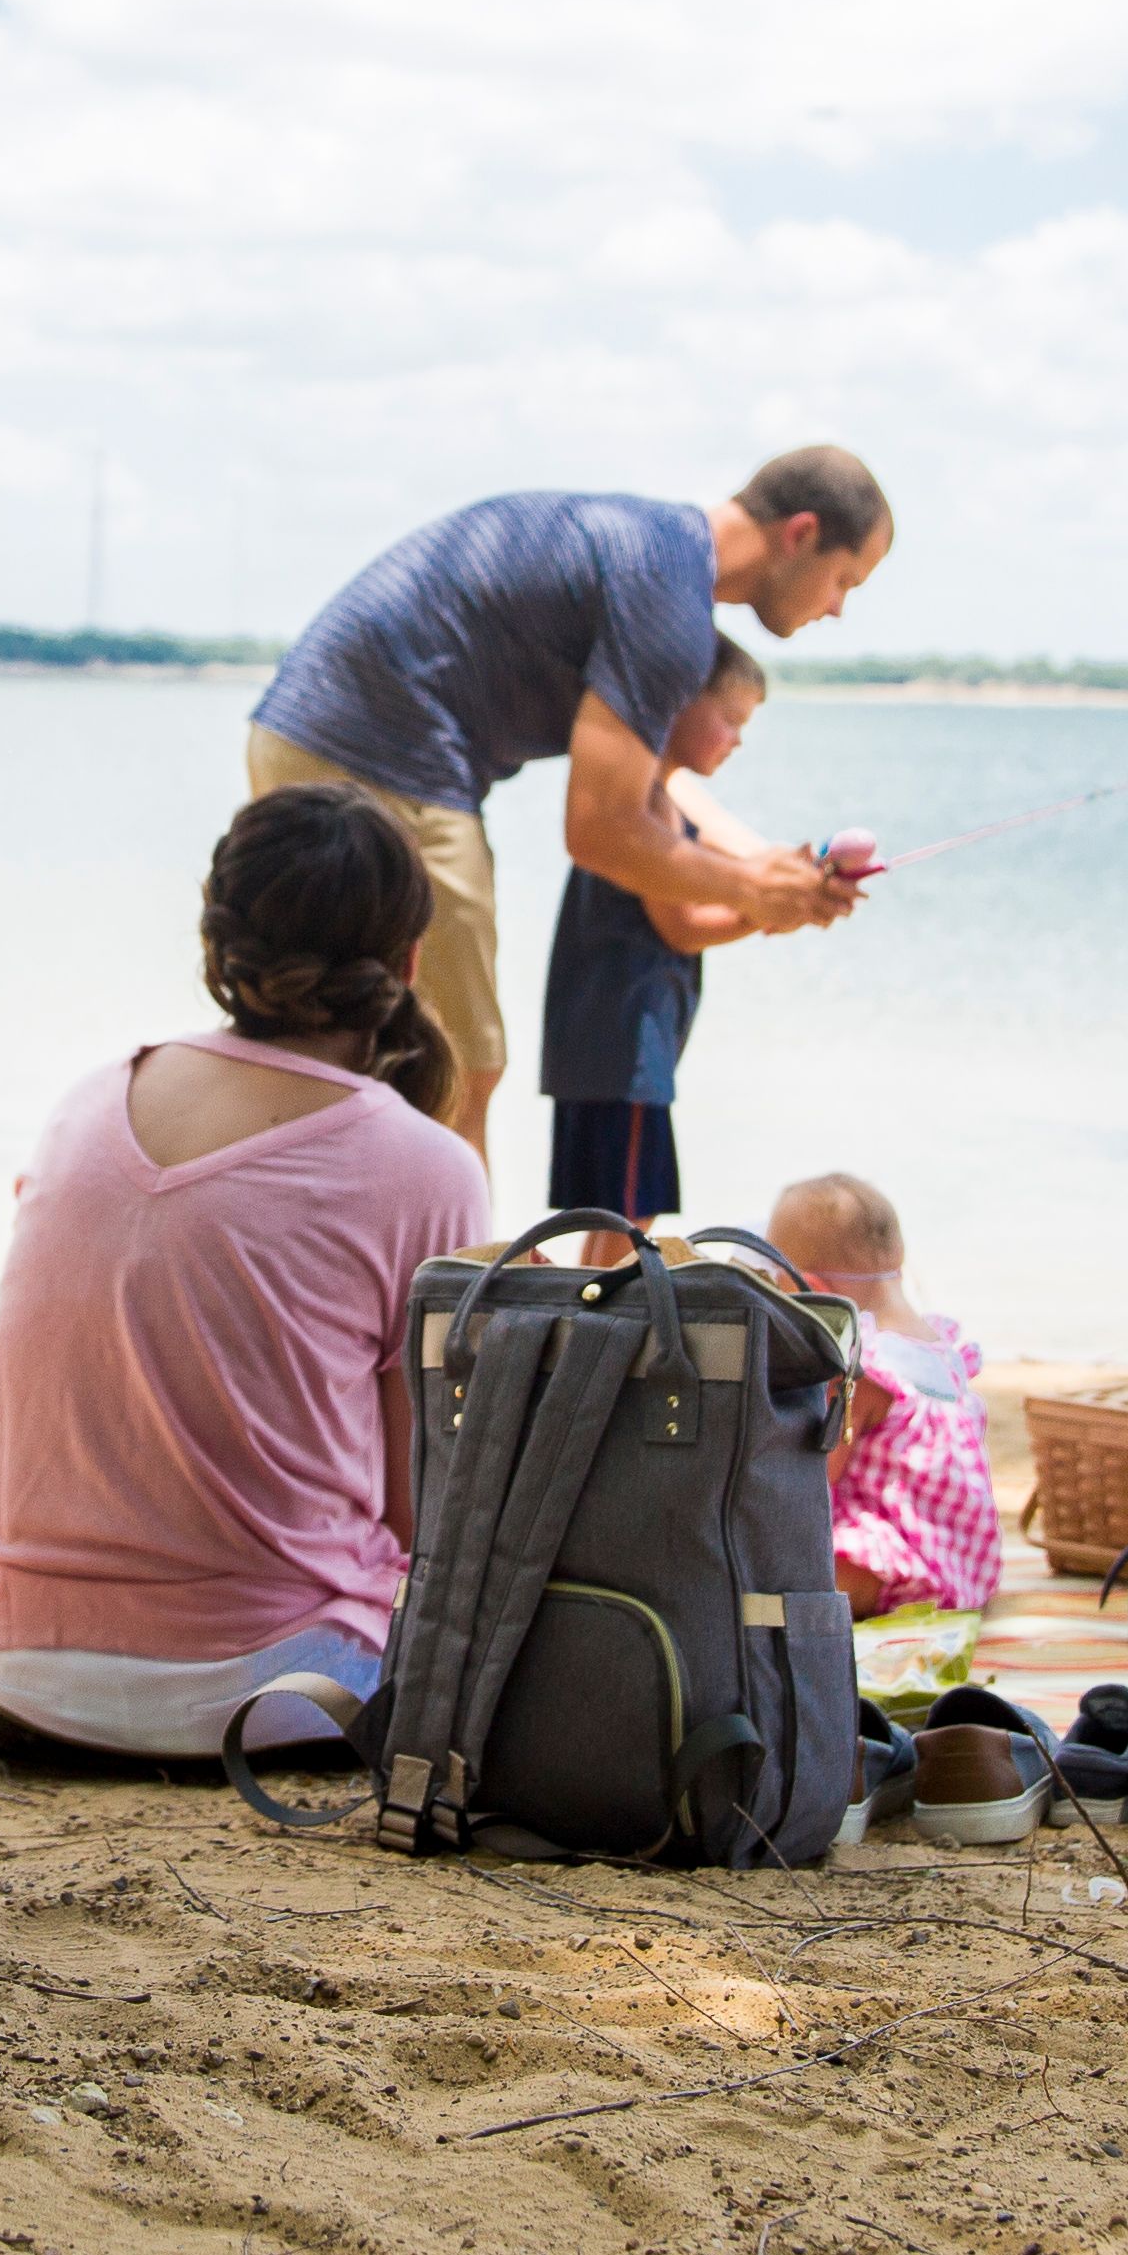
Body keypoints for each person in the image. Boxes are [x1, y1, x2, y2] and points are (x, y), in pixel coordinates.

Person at [0, 785, 494, 1758]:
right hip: (272, 1689)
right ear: (412, 963)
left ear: (217, 949)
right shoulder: (426, 1167)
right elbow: (426, 1506)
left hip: (13, 1673)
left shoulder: (88, 1102)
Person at [246, 449, 893, 1152]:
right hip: (384, 753)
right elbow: (602, 831)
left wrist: (768, 871)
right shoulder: (669, 601)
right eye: (844, 580)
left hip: (298, 728)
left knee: (327, 1041)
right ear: (801, 533)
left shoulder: (657, 555)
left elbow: (648, 792)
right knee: (454, 1067)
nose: (837, 609)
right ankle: (451, 1261)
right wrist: (752, 887)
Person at [533, 642, 782, 1228]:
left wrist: (770, 891)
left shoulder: (655, 796)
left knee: (606, 1223)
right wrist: (764, 911)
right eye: (730, 720)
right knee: (627, 1224)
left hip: (600, 1049)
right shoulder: (648, 805)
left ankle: (582, 1318)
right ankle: (598, 1321)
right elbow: (683, 928)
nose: (737, 739)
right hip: (625, 1050)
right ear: (681, 705)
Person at [768, 1168, 1004, 1618]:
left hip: (900, 1561)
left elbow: (814, 1480)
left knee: (789, 1570)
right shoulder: (938, 1343)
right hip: (964, 1558)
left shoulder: (862, 1368)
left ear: (811, 1291)